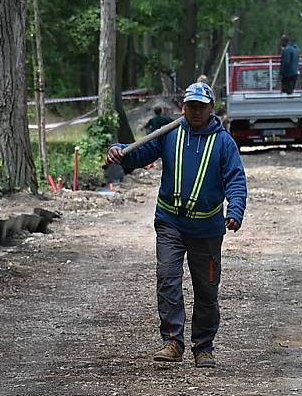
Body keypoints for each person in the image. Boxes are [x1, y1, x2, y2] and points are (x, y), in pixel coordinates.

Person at [106, 82, 247, 368]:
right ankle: (172, 341)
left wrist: (236, 209)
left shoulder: (224, 143)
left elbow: (236, 179)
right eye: (190, 105)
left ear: (211, 108)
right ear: (183, 107)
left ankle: (203, 347)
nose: (195, 111)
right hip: (170, 223)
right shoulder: (168, 134)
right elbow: (139, 154)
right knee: (167, 278)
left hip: (207, 229)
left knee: (206, 289)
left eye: (201, 106)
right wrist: (120, 151)